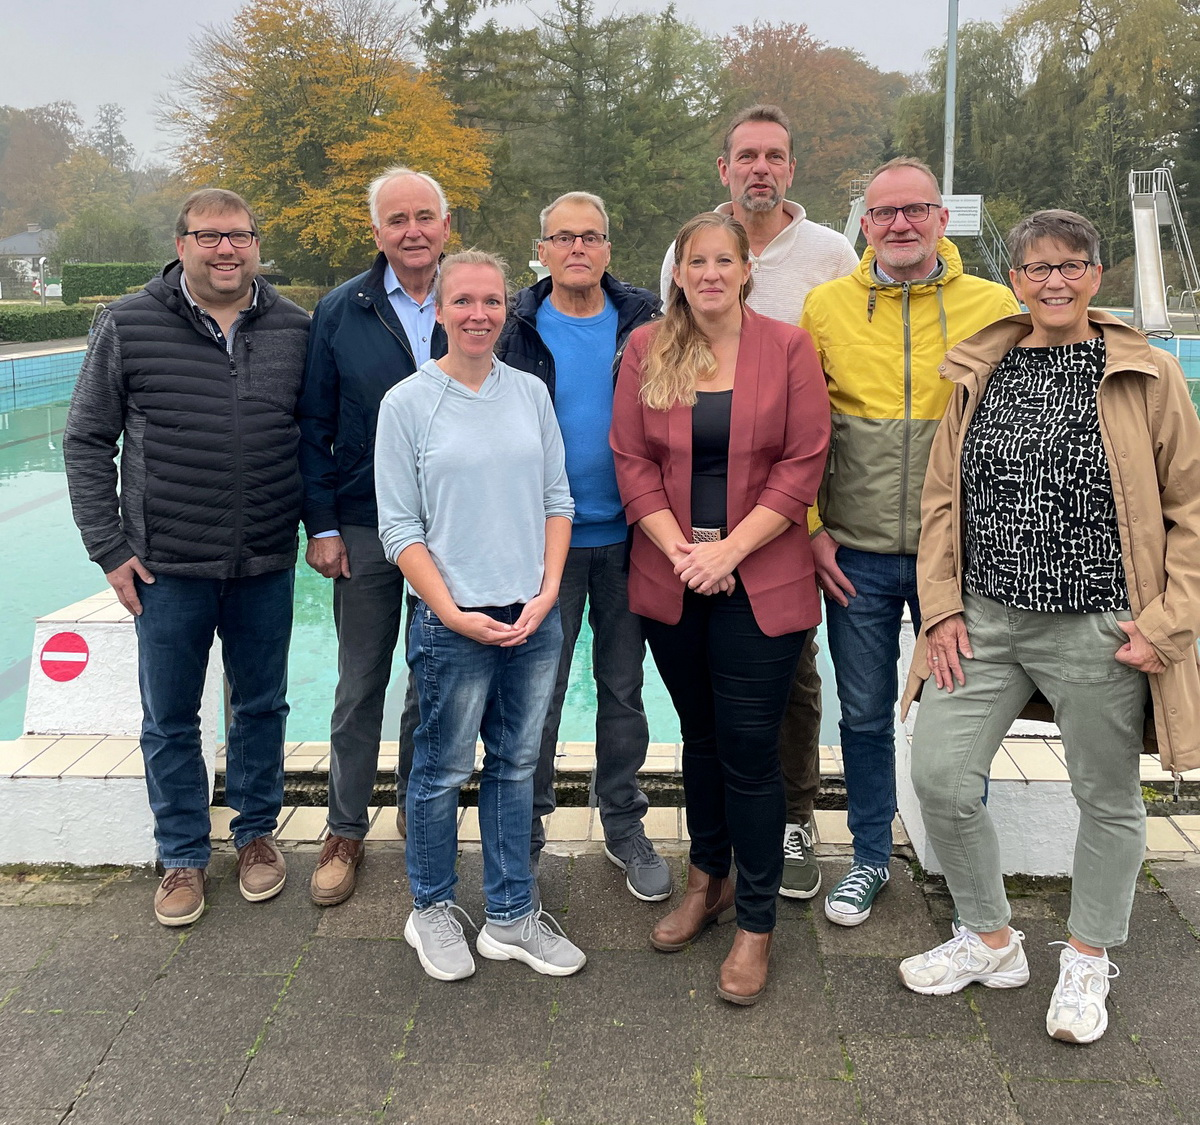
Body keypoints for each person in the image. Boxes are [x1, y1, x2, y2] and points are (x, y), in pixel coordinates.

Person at [897, 209, 1200, 1044]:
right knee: (941, 777)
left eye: (1071, 265)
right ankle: (992, 938)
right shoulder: (983, 369)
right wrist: (943, 606)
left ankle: (1089, 953)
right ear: (1016, 279)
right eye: (1037, 268)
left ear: (1096, 275)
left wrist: (1167, 624)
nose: (1055, 281)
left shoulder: (1145, 371)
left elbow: (1191, 509)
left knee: (1106, 797)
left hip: (1100, 626)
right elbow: (939, 501)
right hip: (986, 620)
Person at [63, 188, 310, 925]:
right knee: (170, 715)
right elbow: (85, 439)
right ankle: (181, 853)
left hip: (264, 555)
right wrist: (108, 547)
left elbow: (316, 435)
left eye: (239, 236)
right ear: (182, 245)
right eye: (209, 236)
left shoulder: (294, 327)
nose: (226, 250)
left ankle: (257, 832)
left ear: (257, 244)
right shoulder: (129, 322)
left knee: (261, 704)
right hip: (166, 565)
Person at [612, 212, 829, 1004]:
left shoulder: (789, 348)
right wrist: (683, 552)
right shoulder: (648, 348)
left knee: (748, 747)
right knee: (698, 740)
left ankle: (757, 921)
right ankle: (709, 880)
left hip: (758, 576)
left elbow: (805, 461)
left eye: (722, 260)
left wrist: (729, 551)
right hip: (673, 573)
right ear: (678, 273)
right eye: (693, 261)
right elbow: (631, 458)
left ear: (746, 270)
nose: (708, 273)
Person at [800, 157, 1020, 928]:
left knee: (957, 724)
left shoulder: (995, 305)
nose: (900, 224)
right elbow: (800, 434)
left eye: (915, 210)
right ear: (864, 223)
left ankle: (966, 877)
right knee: (862, 715)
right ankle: (868, 856)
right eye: (885, 212)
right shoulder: (825, 307)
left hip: (953, 559)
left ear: (941, 218)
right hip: (853, 550)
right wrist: (813, 532)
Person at [660, 104, 859, 901]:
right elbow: (661, 381)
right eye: (746, 155)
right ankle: (715, 855)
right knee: (713, 710)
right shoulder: (688, 248)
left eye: (774, 155)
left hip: (788, 506)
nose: (759, 168)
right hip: (696, 513)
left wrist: (809, 519)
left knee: (792, 676)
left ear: (790, 168)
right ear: (724, 169)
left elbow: (825, 406)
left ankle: (795, 816)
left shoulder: (832, 254)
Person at [375, 250, 586, 982]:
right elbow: (399, 529)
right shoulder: (407, 404)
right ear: (439, 308)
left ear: (506, 309)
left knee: (517, 766)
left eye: (491, 301)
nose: (478, 314)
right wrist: (452, 613)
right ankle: (430, 906)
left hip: (532, 617)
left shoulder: (528, 394)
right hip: (452, 620)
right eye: (462, 300)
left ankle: (510, 914)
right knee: (439, 771)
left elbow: (559, 501)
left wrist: (549, 589)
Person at [496, 191, 667, 901]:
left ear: (607, 247)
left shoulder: (645, 320)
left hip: (630, 537)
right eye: (562, 237)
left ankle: (622, 820)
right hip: (545, 545)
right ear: (542, 248)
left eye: (589, 236)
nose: (576, 249)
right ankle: (527, 826)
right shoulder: (513, 325)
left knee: (622, 689)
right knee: (538, 690)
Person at [297, 167, 449, 907]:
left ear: (446, 226)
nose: (413, 230)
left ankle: (419, 818)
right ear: (377, 231)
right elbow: (313, 426)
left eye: (425, 216)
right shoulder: (341, 311)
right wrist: (322, 524)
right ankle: (344, 827)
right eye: (398, 219)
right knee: (361, 683)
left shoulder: (479, 301)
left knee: (433, 682)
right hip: (362, 524)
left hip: (450, 529)